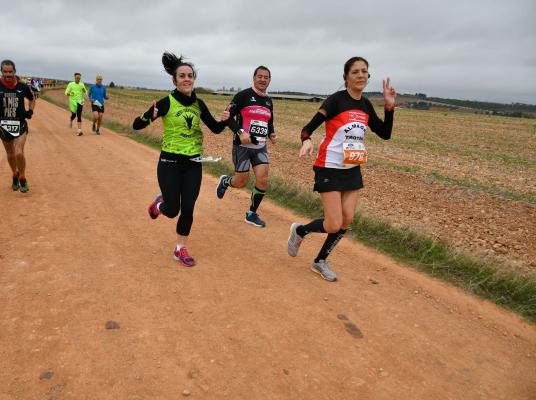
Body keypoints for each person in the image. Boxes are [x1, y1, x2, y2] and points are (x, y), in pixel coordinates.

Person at [287, 56, 396, 281]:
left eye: (364, 71)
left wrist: (389, 107)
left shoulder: (365, 105)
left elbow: (385, 133)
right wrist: (306, 141)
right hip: (329, 166)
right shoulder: (335, 101)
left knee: (346, 221)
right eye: (355, 72)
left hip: (352, 168)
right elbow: (308, 128)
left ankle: (320, 261)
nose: (360, 75)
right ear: (345, 76)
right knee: (333, 223)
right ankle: (300, 231)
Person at [132, 52, 227, 267]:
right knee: (172, 209)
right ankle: (159, 205)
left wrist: (225, 121)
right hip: (169, 163)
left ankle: (180, 248)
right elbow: (136, 126)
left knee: (189, 208)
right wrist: (150, 115)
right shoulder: (166, 102)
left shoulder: (199, 104)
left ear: (194, 79)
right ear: (174, 80)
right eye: (182, 76)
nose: (186, 79)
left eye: (190, 75)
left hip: (194, 163)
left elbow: (215, 128)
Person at [215, 66, 276, 228]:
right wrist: (241, 131)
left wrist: (272, 133)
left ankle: (251, 213)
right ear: (254, 78)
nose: (263, 80)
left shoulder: (269, 101)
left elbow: (269, 121)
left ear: (270, 80)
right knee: (241, 182)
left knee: (262, 179)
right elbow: (227, 117)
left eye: (266, 77)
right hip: (242, 146)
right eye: (260, 76)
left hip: (260, 147)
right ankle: (225, 182)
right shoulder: (243, 95)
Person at [0, 59, 35, 193]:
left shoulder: (22, 86)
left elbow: (32, 99)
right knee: (10, 154)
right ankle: (14, 174)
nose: (8, 74)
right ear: (1, 72)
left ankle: (23, 177)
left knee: (19, 152)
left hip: (20, 123)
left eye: (10, 71)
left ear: (15, 71)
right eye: (5, 72)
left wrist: (30, 111)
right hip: (4, 124)